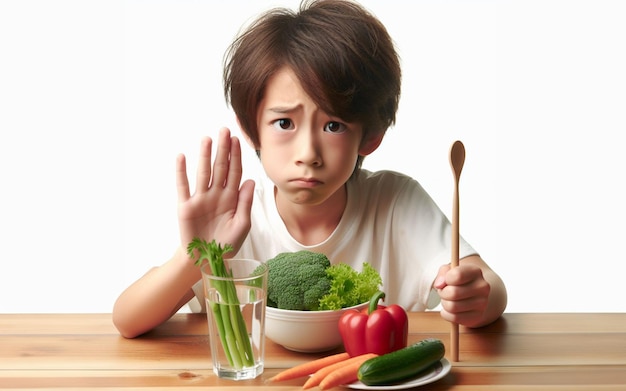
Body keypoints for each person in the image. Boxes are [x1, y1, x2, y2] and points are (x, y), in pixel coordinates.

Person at [113, 0, 507, 339]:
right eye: (284, 123)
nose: (308, 153)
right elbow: (127, 319)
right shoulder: (231, 224)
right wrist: (192, 258)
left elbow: (492, 289)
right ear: (252, 129)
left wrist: (475, 296)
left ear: (369, 137)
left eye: (334, 125)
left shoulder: (395, 202)